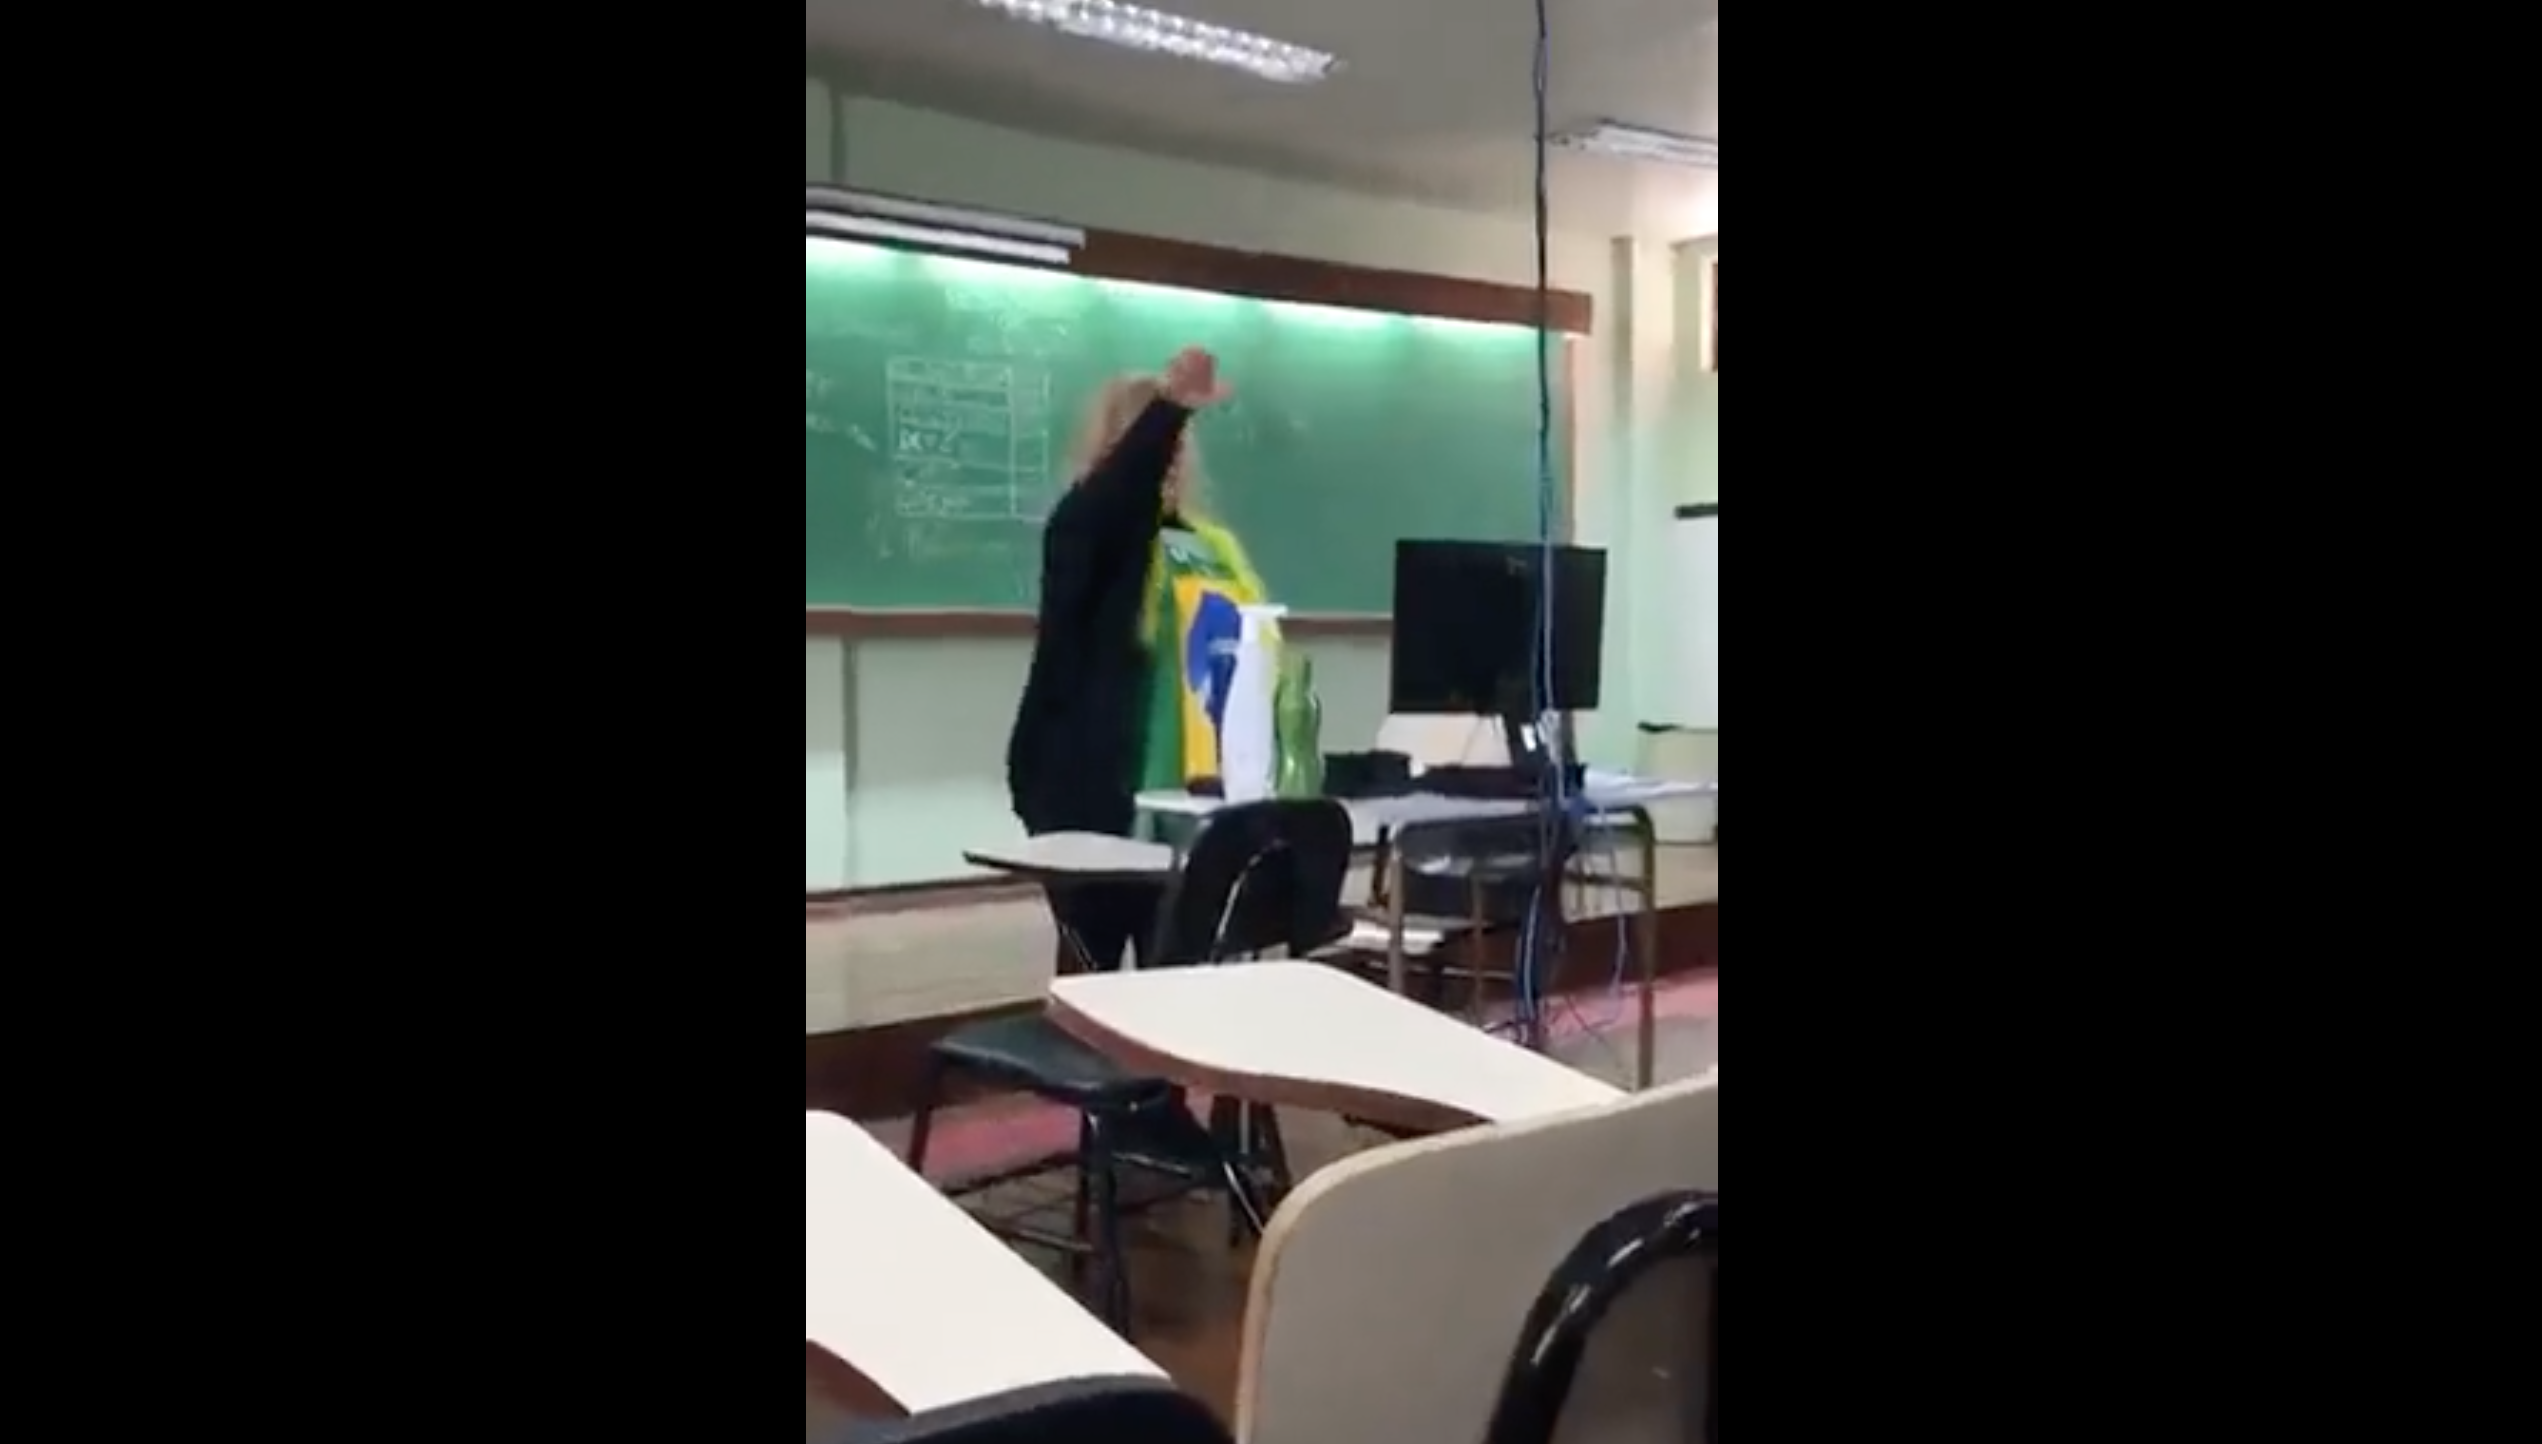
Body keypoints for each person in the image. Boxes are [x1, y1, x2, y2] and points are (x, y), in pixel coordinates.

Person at [1005, 347, 1271, 971]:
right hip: (1091, 789)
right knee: (1094, 967)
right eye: (1156, 440)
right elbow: (1116, 503)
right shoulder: (1083, 525)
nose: (1172, 456)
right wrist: (1168, 412)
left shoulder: (1205, 543)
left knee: (1175, 970)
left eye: (1179, 444)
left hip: (1188, 795)